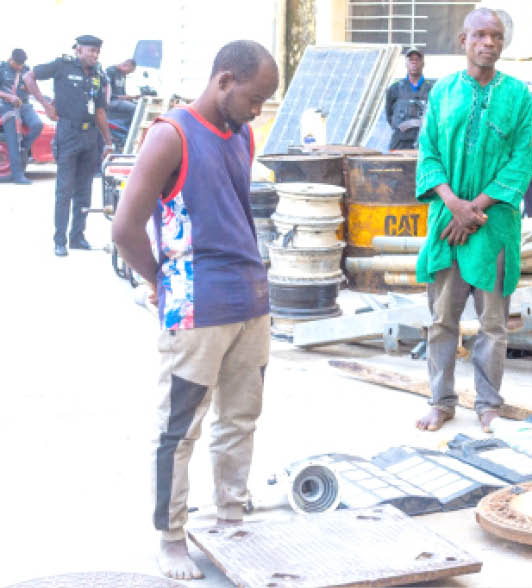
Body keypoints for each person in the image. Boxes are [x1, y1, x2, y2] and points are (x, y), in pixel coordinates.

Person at [110, 40, 279, 581]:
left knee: (240, 421)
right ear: (224, 80)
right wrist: (160, 280)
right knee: (179, 429)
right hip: (196, 310)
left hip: (250, 302)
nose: (258, 111)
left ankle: (230, 518)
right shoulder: (171, 135)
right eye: (254, 98)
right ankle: (170, 536)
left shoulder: (241, 134)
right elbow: (123, 228)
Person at [414, 8, 532, 433]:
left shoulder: (518, 95)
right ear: (463, 41)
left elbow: (521, 163)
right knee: (443, 320)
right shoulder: (442, 93)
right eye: (480, 35)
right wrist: (453, 203)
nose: (489, 43)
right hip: (447, 225)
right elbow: (427, 152)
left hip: (494, 228)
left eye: (497, 36)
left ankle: (488, 404)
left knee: (493, 325)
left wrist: (473, 208)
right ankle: (441, 401)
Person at [23, 35, 113, 256]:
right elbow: (28, 77)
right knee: (64, 190)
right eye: (90, 50)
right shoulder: (61, 66)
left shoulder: (98, 75)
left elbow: (100, 111)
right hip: (68, 133)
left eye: (97, 52)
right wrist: (45, 105)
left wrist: (109, 143)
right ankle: (60, 241)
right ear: (78, 50)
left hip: (90, 136)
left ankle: (77, 237)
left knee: (85, 190)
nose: (94, 55)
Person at [0, 49, 43, 184]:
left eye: (21, 64)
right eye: (17, 64)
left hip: (24, 105)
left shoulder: (26, 70)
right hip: (7, 107)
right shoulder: (2, 69)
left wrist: (27, 88)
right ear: (11, 59)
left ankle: (24, 145)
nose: (19, 66)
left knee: (37, 125)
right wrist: (9, 96)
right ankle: (18, 176)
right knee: (12, 141)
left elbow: (33, 88)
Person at [385, 48, 433, 150]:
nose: (414, 62)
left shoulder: (432, 89)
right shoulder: (395, 88)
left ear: (423, 63)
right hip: (399, 143)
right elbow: (389, 115)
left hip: (424, 143)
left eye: (417, 59)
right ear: (406, 63)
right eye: (411, 60)